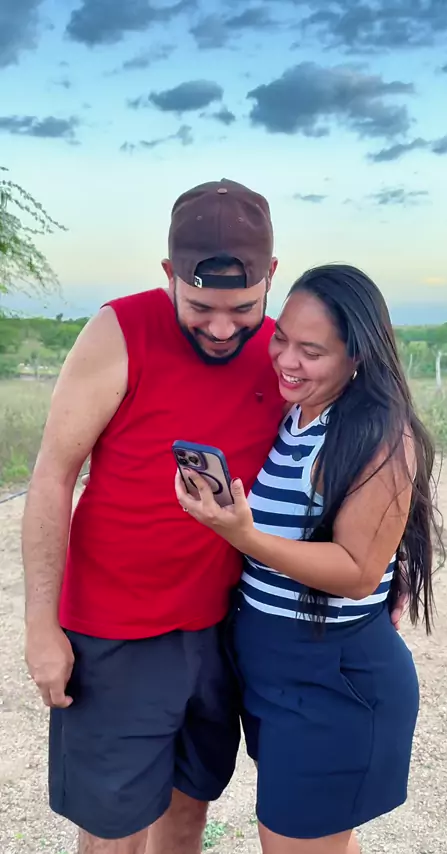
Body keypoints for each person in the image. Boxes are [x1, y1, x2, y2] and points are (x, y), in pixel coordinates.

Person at [22, 179, 406, 854]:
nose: (224, 328)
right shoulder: (118, 333)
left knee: (187, 814)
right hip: (118, 632)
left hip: (222, 632)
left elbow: (369, 451)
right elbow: (53, 475)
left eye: (244, 308)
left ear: (271, 276)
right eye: (200, 306)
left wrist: (388, 565)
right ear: (168, 273)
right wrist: (40, 627)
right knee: (113, 834)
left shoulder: (285, 352)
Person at [175, 263, 440, 854]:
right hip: (269, 666)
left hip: (331, 680)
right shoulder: (295, 415)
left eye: (312, 351)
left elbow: (357, 573)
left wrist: (242, 536)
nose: (286, 361)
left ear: (358, 355)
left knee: (294, 840)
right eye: (282, 338)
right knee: (321, 839)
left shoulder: (376, 433)